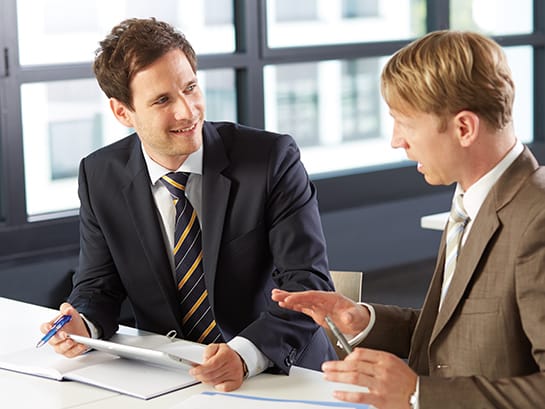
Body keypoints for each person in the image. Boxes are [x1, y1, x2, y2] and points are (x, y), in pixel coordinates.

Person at [39, 17, 336, 392]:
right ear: (122, 112)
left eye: (191, 88)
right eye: (163, 100)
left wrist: (243, 355)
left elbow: (308, 283)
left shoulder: (270, 159)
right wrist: (82, 323)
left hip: (283, 375)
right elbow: (98, 285)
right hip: (171, 380)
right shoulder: (99, 175)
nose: (188, 111)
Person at [273, 30, 545, 408]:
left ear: (463, 128)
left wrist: (419, 394)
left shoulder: (538, 219)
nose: (396, 140)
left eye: (405, 123)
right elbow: (459, 333)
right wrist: (362, 320)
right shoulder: (472, 199)